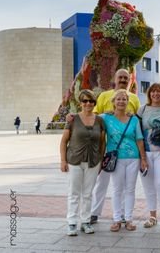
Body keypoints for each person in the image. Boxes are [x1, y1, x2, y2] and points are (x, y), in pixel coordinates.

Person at [90, 68, 140, 224]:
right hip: (108, 148)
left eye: (126, 78)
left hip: (127, 151)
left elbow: (136, 118)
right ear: (115, 78)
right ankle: (94, 212)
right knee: (101, 182)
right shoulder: (105, 96)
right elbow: (95, 117)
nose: (123, 80)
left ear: (129, 80)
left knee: (125, 185)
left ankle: (124, 215)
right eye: (121, 77)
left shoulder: (134, 98)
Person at [59, 90, 105, 236]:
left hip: (93, 161)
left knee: (88, 193)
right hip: (74, 160)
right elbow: (64, 141)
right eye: (85, 101)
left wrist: (101, 159)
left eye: (91, 101)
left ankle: (85, 222)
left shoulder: (99, 120)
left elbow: (102, 142)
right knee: (74, 192)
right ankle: (72, 223)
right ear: (81, 103)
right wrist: (62, 160)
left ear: (94, 103)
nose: (88, 104)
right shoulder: (72, 119)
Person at [101, 89, 147, 232]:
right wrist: (71, 116)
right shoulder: (105, 118)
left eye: (124, 99)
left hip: (133, 158)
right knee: (116, 189)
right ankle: (116, 219)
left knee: (130, 190)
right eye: (118, 99)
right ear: (113, 102)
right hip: (116, 159)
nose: (121, 101)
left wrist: (143, 158)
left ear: (128, 102)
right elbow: (89, 115)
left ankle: (128, 219)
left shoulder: (133, 119)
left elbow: (139, 140)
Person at [137, 83, 160, 231]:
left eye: (159, 91)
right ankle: (152, 216)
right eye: (153, 92)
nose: (156, 94)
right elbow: (136, 131)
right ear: (149, 94)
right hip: (145, 153)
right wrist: (141, 156)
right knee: (148, 186)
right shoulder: (142, 110)